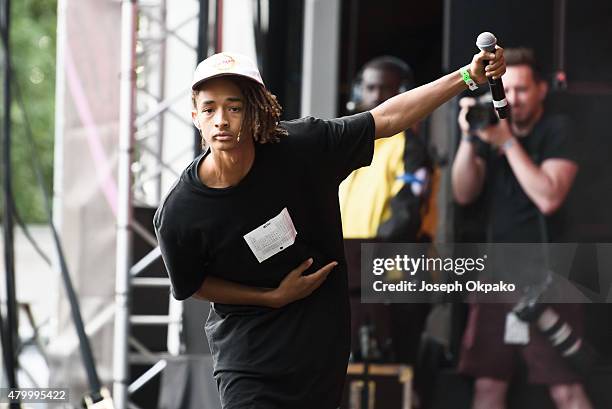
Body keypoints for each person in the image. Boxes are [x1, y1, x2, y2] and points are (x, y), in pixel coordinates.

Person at [154, 48, 505, 409]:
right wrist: (270, 296)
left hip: (320, 346)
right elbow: (192, 284)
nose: (221, 120)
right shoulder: (181, 211)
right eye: (209, 109)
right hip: (248, 354)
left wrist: (467, 76)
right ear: (195, 116)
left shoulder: (301, 147)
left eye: (234, 107)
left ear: (254, 108)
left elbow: (386, 118)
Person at [452, 48, 592, 409]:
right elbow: (463, 193)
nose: (511, 98)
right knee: (488, 385)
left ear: (542, 89)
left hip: (550, 277)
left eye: (522, 90)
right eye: (505, 90)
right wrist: (469, 139)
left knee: (566, 389)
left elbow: (549, 197)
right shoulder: (491, 130)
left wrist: (508, 143)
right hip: (498, 274)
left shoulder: (558, 130)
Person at [340, 56, 432, 365]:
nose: (377, 97)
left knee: (393, 371)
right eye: (370, 88)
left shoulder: (411, 148)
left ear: (405, 93)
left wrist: (361, 259)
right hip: (346, 273)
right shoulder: (344, 144)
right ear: (357, 93)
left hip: (392, 274)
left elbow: (406, 214)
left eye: (387, 89)